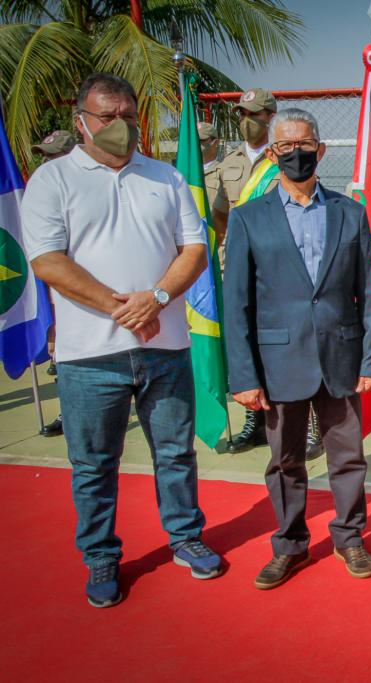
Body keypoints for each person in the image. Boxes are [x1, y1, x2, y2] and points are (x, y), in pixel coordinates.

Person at [21, 73, 223, 608]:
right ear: (80, 121)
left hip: (166, 345)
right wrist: (123, 308)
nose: (119, 126)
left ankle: (185, 538)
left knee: (176, 454)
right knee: (93, 464)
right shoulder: (53, 180)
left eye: (128, 116)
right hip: (90, 356)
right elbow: (47, 261)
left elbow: (194, 250)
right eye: (107, 116)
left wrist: (155, 299)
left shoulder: (165, 178)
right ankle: (102, 557)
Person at [223, 108, 371, 589]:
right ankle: (290, 544)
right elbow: (237, 305)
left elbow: (370, 293)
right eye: (286, 146)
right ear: (272, 154)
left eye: (305, 144)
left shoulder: (349, 213)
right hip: (278, 365)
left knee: (348, 457)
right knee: (285, 460)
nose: (297, 153)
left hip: (341, 358)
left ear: (321, 148)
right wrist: (244, 376)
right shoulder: (248, 219)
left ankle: (349, 537)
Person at [209, 87, 280, 454]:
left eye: (254, 114)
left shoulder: (282, 158)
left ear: (270, 116)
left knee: (282, 342)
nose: (246, 121)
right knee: (244, 343)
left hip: (275, 268)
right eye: (242, 114)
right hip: (237, 265)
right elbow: (221, 212)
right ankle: (254, 421)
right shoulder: (229, 163)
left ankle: (302, 421)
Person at [31, 130, 78, 437]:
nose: (47, 163)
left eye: (54, 157)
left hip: (83, 289)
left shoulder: (85, 190)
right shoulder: (41, 190)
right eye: (45, 157)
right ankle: (68, 412)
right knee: (57, 351)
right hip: (52, 288)